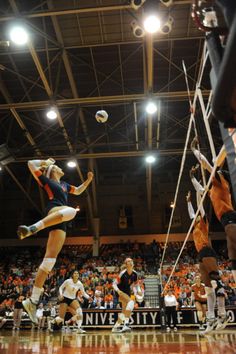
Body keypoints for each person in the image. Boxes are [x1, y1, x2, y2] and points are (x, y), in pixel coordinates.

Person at [18, 158, 93, 325]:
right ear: (52, 170)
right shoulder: (46, 180)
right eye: (57, 166)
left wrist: (88, 180)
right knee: (72, 211)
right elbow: (31, 164)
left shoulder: (65, 184)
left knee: (49, 261)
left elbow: (79, 191)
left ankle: (32, 300)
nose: (60, 167)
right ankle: (33, 228)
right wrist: (45, 161)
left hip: (61, 219)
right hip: (54, 210)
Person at [187, 164, 229, 332]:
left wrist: (192, 178)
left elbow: (199, 200)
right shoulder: (195, 224)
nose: (195, 215)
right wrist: (188, 202)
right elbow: (191, 213)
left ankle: (223, 314)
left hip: (207, 251)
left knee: (215, 281)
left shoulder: (203, 221)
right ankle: (211, 319)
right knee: (208, 288)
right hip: (200, 255)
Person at [191, 137, 236, 284]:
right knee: (231, 247)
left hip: (229, 215)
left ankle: (220, 281)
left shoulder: (219, 181)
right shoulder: (212, 190)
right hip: (224, 218)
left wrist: (193, 149)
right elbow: (199, 190)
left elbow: (206, 163)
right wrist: (192, 177)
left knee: (232, 237)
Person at [112, 258, 142, 333]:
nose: (130, 262)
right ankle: (126, 324)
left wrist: (139, 290)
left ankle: (115, 328)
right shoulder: (122, 273)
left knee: (124, 312)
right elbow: (114, 284)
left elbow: (136, 284)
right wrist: (118, 291)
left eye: (131, 261)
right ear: (126, 264)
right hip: (120, 291)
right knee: (131, 302)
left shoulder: (135, 274)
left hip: (127, 291)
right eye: (128, 261)